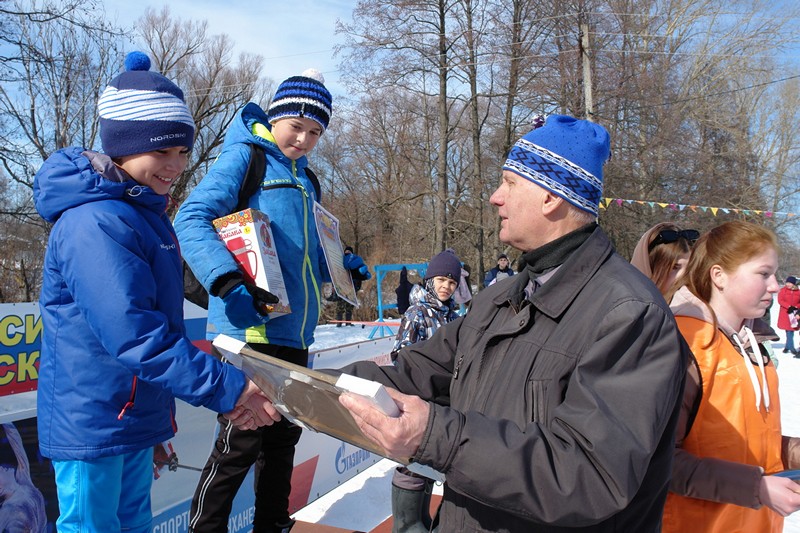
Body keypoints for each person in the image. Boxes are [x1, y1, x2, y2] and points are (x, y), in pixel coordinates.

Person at [335, 115, 689, 531]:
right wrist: (297, 385)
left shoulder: (630, 314)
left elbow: (588, 475)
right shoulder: (499, 299)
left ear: (551, 198)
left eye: (509, 182)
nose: (494, 197)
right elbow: (415, 373)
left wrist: (436, 436)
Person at [32, 52, 276, 533]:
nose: (176, 165)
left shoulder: (144, 216)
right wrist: (227, 388)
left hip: (128, 424)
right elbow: (135, 336)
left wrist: (152, 428)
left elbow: (156, 329)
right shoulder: (94, 223)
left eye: (183, 152)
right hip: (92, 426)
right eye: (162, 151)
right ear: (123, 147)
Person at [174, 68, 333, 533]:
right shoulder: (247, 157)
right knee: (239, 444)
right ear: (275, 118)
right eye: (296, 127)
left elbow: (302, 258)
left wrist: (339, 267)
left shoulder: (308, 179)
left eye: (315, 132)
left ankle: (272, 526)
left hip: (295, 331)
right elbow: (192, 217)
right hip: (250, 327)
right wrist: (226, 282)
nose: (303, 139)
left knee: (282, 442)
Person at [662, 221, 800, 532]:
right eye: (763, 274)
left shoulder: (755, 346)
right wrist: (756, 488)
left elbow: (747, 442)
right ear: (719, 276)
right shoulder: (682, 344)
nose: (776, 286)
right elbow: (659, 461)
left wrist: (794, 453)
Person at [389, 249, 462, 531]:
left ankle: (421, 517)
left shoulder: (455, 317)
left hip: (444, 403)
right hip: (417, 398)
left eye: (452, 282)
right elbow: (400, 355)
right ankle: (406, 525)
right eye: (442, 279)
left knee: (430, 461)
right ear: (430, 279)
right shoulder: (416, 313)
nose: (446, 286)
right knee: (411, 459)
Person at [630, 222, 699, 295]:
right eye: (675, 267)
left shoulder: (695, 303)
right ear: (651, 266)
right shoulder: (627, 304)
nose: (684, 276)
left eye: (689, 268)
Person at [331, 246, 371, 326]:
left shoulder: (347, 261)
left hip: (349, 286)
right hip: (347, 286)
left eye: (349, 251)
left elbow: (361, 274)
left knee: (347, 304)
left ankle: (345, 322)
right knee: (343, 303)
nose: (347, 253)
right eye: (347, 251)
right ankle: (342, 323)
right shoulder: (348, 261)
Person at [777, 275, 800, 356]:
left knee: (791, 330)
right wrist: (789, 306)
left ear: (793, 284)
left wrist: (796, 307)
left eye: (790, 283)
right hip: (785, 313)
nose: (788, 284)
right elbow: (780, 300)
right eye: (787, 282)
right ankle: (791, 347)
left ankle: (787, 346)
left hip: (794, 313)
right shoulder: (783, 290)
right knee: (788, 330)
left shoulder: (798, 291)